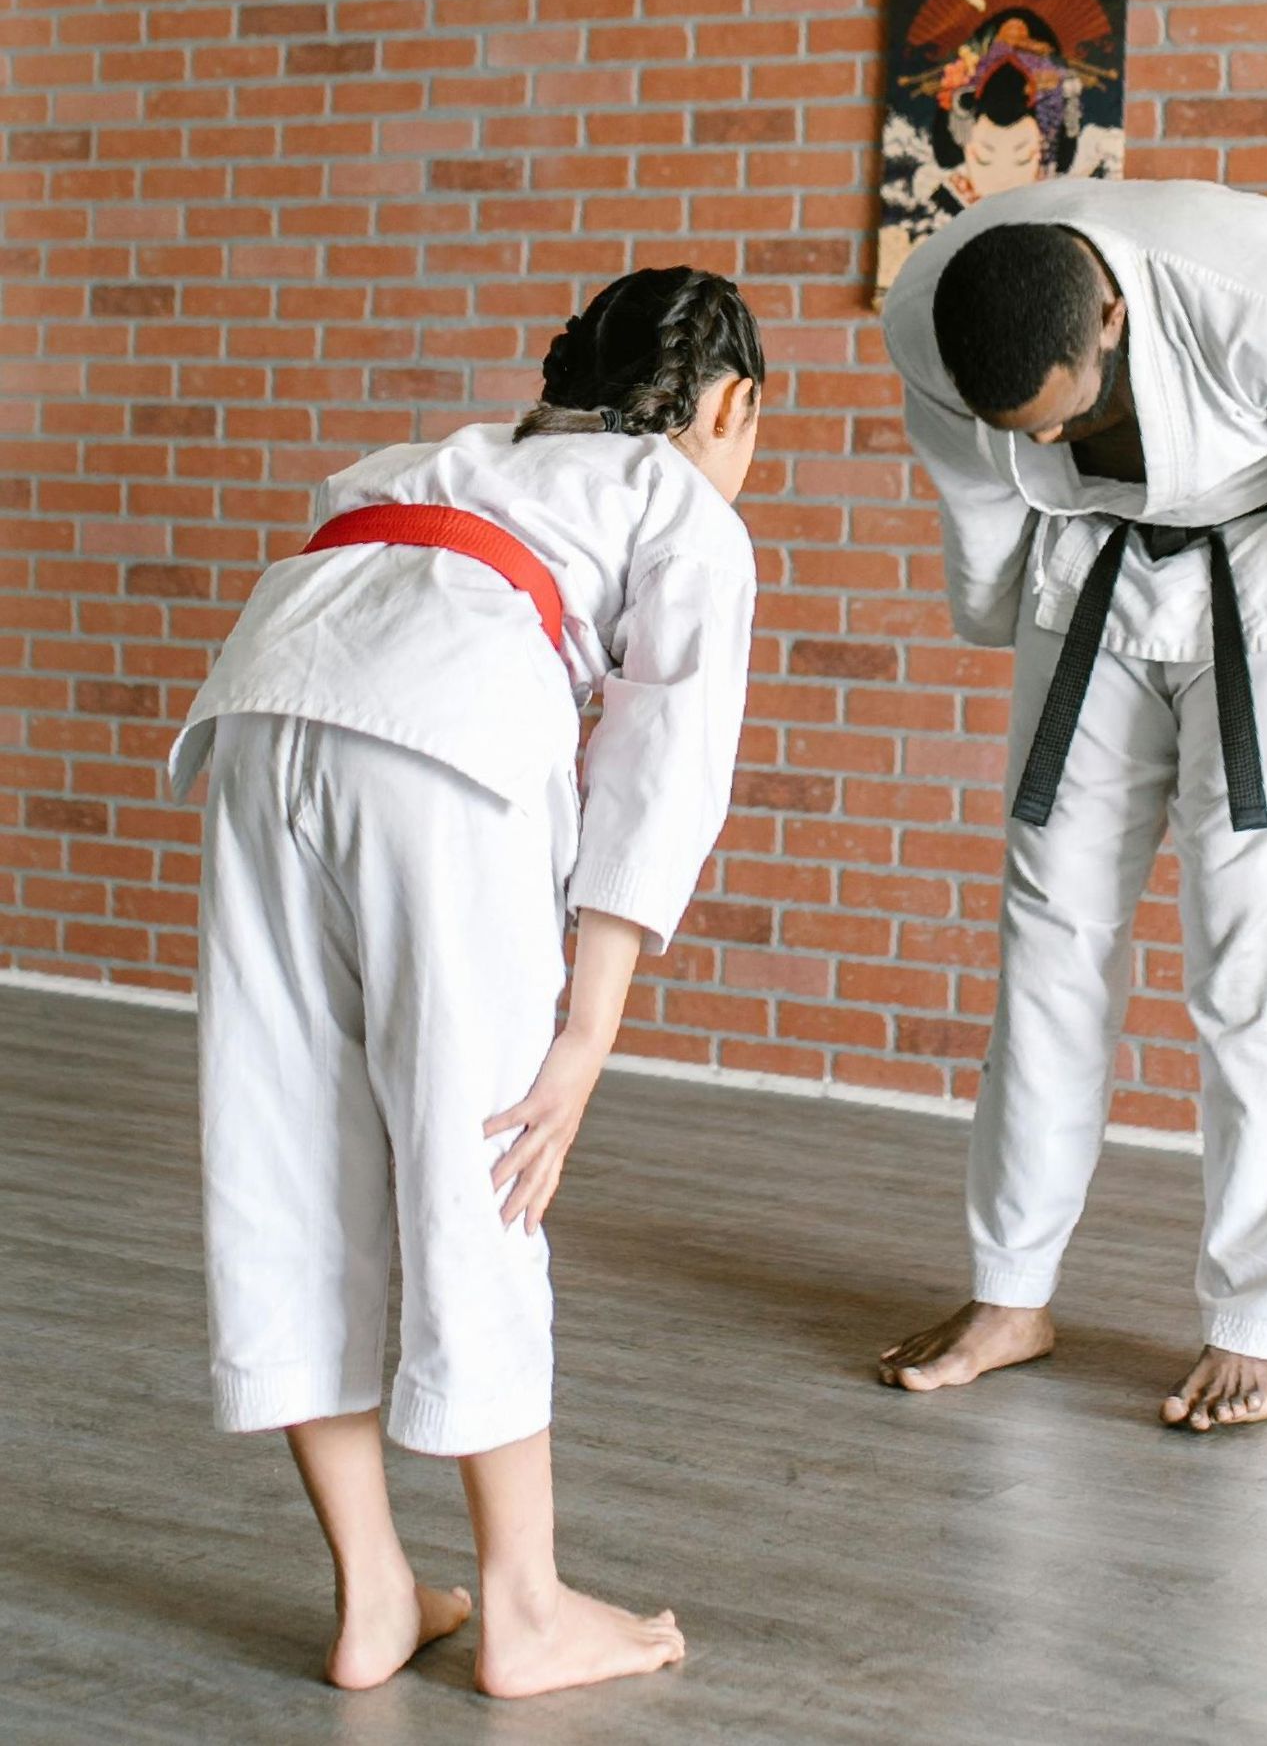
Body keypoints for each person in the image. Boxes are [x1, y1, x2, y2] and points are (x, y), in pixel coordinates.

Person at [168, 267, 762, 1693]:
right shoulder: (685, 505)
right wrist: (582, 1038)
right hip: (440, 749)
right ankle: (523, 1605)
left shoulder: (426, 460)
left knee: (289, 1149)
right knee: (483, 1161)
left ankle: (376, 1590)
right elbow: (660, 770)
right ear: (731, 404)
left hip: (261, 717)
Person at [877, 181, 1267, 1433]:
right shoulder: (927, 313)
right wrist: (997, 620)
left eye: (1068, 407)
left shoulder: (1260, 299)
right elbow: (980, 493)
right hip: (1088, 570)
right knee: (1045, 933)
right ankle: (1012, 1290)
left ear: (1107, 313)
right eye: (1024, 426)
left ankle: (1258, 1319)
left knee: (1260, 950)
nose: (1048, 434)